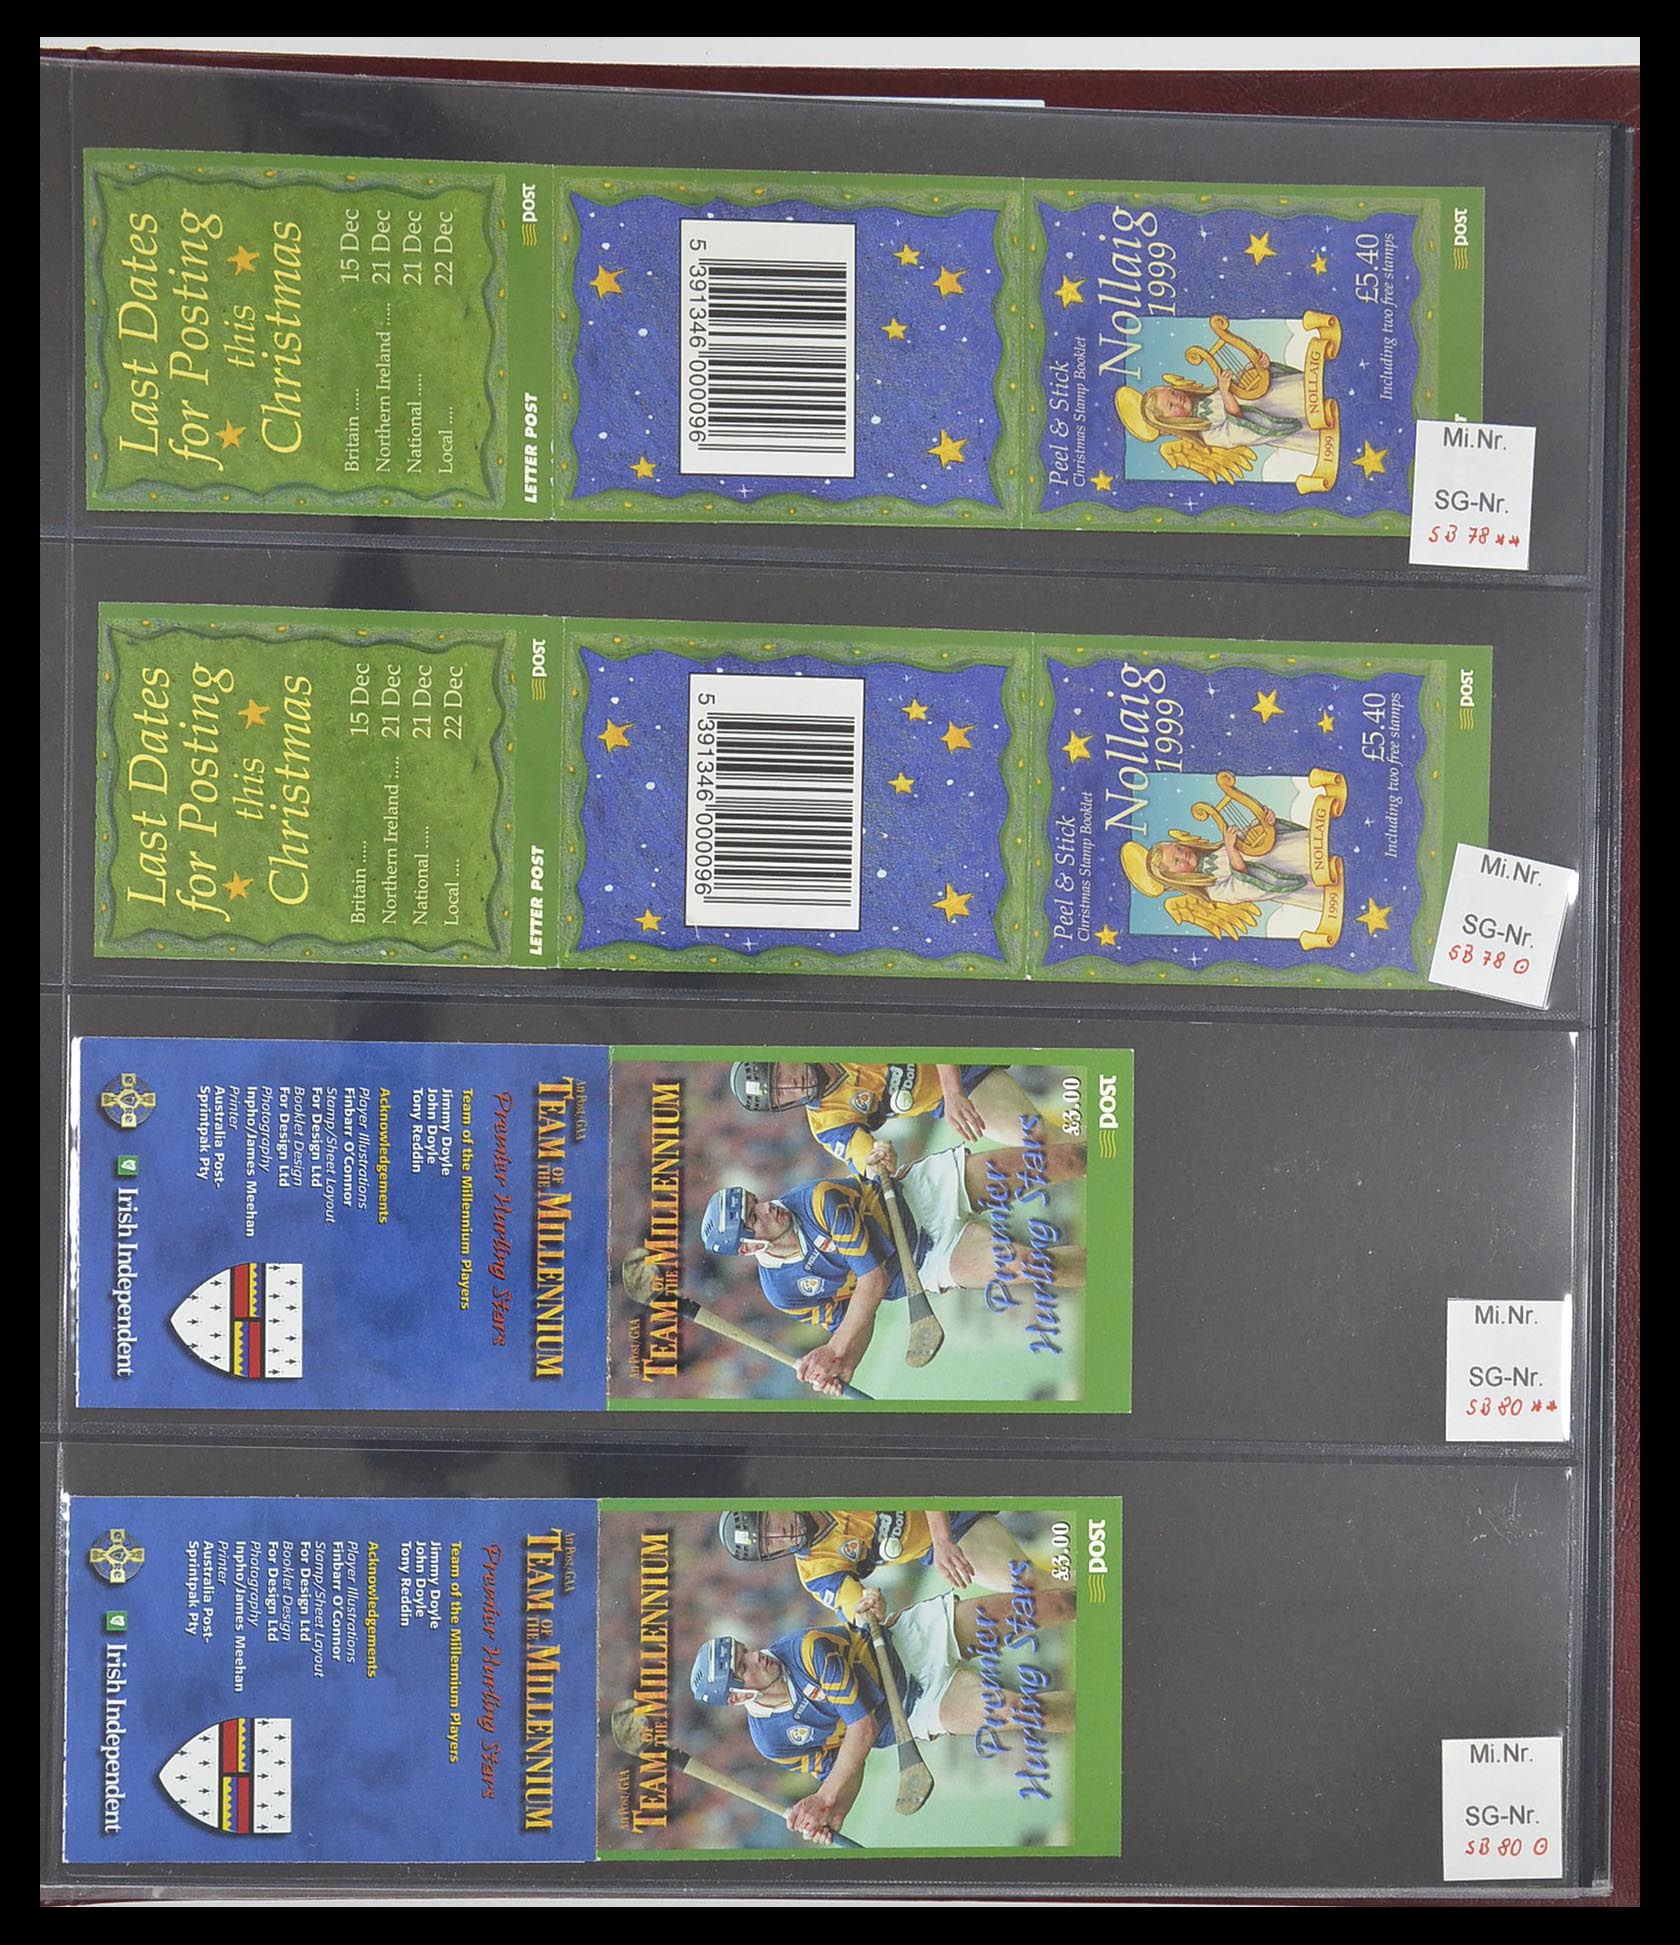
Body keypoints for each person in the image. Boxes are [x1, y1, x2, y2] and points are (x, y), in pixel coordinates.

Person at [699, 1134, 1088, 1396]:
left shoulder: (815, 1201)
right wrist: (844, 1363)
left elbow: (873, 1279)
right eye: (754, 1218)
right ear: (748, 1248)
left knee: (1063, 1160)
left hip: (924, 1195)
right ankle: (1116, 1273)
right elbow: (856, 1320)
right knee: (1032, 1266)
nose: (768, 1208)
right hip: (927, 1262)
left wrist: (834, 1348)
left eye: (756, 1201)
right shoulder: (783, 1291)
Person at [689, 1594, 1076, 1846]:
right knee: (1021, 1712)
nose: (756, 1657)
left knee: (1050, 1606)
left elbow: (863, 1729)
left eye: (745, 1651)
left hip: (913, 1642)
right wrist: (834, 1811)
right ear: (737, 1698)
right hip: (916, 1711)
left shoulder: (804, 1650)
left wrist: (825, 1797)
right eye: (743, 1667)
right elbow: (847, 1766)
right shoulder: (773, 1741)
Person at [715, 1508, 1076, 1627]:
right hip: (955, 1533)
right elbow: (853, 1606)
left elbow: (917, 1471)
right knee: (1030, 1585)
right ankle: (1102, 1595)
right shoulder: (816, 1572)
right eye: (769, 1543)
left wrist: (942, 1540)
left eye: (769, 1523)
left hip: (952, 1480)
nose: (778, 1534)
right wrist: (867, 1609)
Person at [727, 1060, 1060, 1174]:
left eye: (779, 1074)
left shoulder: (831, 1032)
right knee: (1039, 1139)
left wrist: (952, 1092)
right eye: (780, 1093)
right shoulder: (827, 1124)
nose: (790, 1084)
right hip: (969, 1085)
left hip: (958, 1046)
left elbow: (927, 1024)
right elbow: (864, 1158)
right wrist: (878, 1162)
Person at [1123, 802, 1323, 916]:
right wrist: (1232, 850)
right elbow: (1245, 888)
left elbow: (1247, 838)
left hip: (1286, 847)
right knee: (1322, 868)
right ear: (1175, 878)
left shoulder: (1214, 852)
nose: (1183, 854)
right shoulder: (1211, 890)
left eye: (1178, 848)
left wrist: (1264, 823)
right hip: (1289, 869)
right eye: (1176, 861)